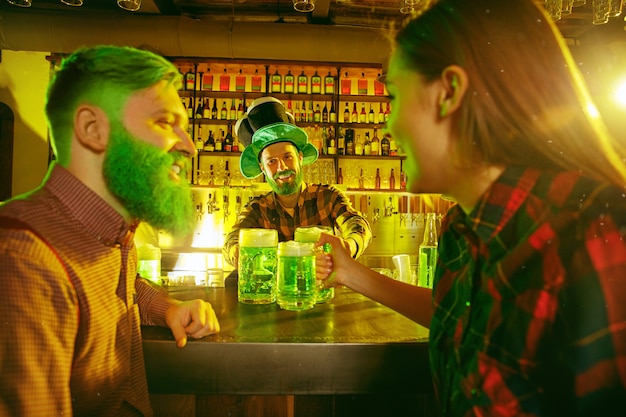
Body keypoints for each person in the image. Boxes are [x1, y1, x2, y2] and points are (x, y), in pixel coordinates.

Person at [316, 0, 626, 415]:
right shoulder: (462, 226)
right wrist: (350, 272)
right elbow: (465, 318)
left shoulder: (594, 232)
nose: (388, 125)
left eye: (394, 96)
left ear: (449, 93)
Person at [0, 45, 220, 417]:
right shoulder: (24, 260)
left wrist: (167, 307)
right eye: (165, 122)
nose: (190, 146)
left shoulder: (112, 233)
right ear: (93, 129)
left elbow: (121, 282)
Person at [222, 96, 371, 268]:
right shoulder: (257, 209)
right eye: (271, 161)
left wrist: (348, 246)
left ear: (300, 158)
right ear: (262, 168)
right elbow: (232, 239)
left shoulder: (328, 197)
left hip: (320, 292)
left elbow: (356, 224)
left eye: (287, 157)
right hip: (275, 294)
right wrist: (236, 251)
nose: (282, 167)